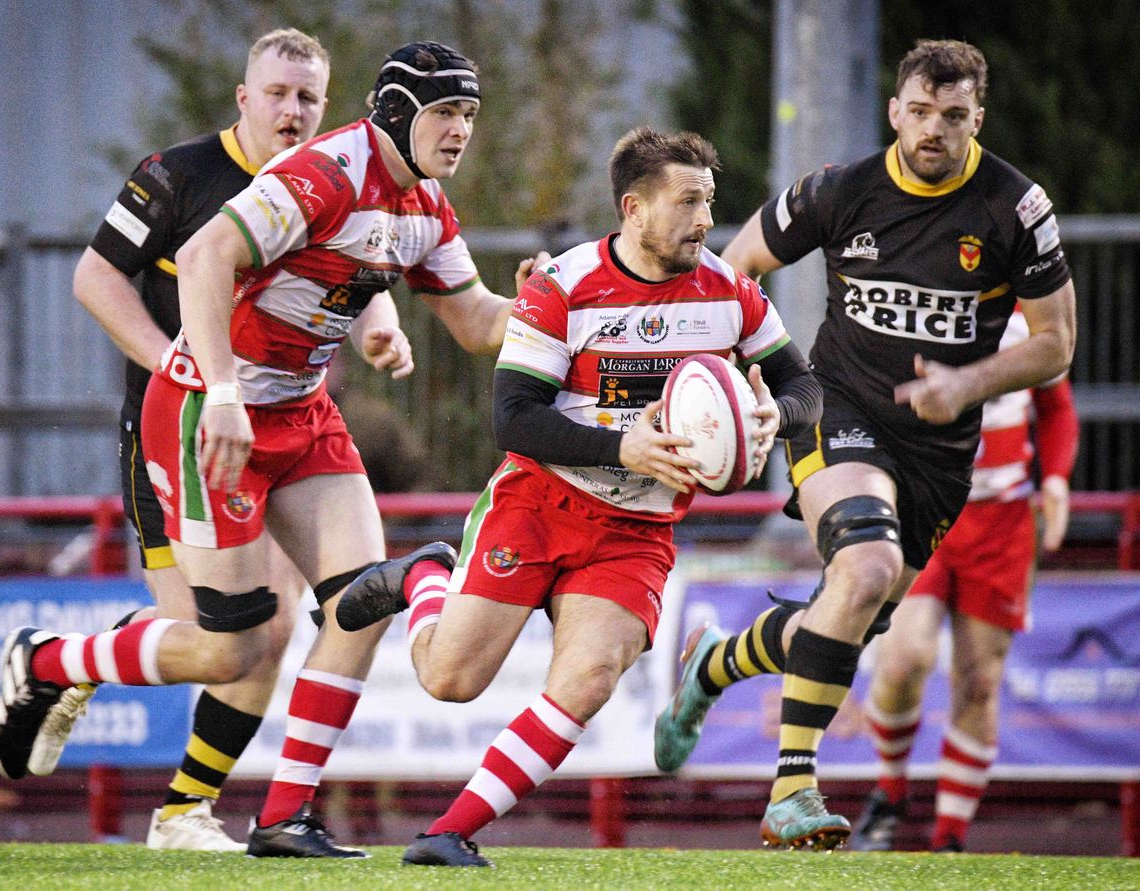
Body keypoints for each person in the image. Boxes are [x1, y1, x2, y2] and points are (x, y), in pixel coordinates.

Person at [0, 40, 543, 859]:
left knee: (364, 601)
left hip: (299, 410)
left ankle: (284, 816)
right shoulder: (322, 175)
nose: (461, 131)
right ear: (395, 111)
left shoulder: (426, 205)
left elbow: (475, 323)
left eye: (469, 115)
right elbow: (208, 254)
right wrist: (219, 389)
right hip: (203, 410)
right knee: (231, 644)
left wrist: (536, 300)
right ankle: (48, 661)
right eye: (445, 113)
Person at [334, 126, 824, 866]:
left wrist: (771, 416)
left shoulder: (730, 293)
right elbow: (514, 419)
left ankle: (447, 833)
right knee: (448, 678)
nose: (704, 220)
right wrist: (621, 445)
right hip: (539, 501)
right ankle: (423, 576)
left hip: (638, 528)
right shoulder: (563, 286)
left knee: (590, 677)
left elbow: (804, 386)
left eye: (710, 201)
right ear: (633, 207)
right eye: (688, 202)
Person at [651, 38, 1076, 851]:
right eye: (919, 112)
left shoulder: (1014, 207)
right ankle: (792, 791)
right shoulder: (842, 190)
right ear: (894, 111)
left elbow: (1057, 345)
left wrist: (967, 383)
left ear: (976, 119)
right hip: (834, 407)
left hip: (939, 456)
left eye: (953, 118)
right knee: (869, 568)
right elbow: (737, 266)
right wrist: (742, 377)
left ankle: (714, 665)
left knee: (852, 612)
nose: (933, 131)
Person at [38, 28, 335, 852]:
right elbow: (94, 277)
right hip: (173, 435)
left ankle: (183, 814)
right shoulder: (177, 174)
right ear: (244, 99)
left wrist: (381, 325)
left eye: (308, 98)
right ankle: (59, 660)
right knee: (219, 646)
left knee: (270, 632)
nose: (292, 111)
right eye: (276, 93)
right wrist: (176, 362)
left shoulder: (327, 186)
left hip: (272, 436)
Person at [851, 308, 1078, 853]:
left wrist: (1056, 480)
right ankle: (889, 793)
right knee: (905, 657)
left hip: (1001, 519)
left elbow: (1056, 410)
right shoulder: (919, 291)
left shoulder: (1033, 308)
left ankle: (949, 842)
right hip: (923, 504)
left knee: (978, 682)